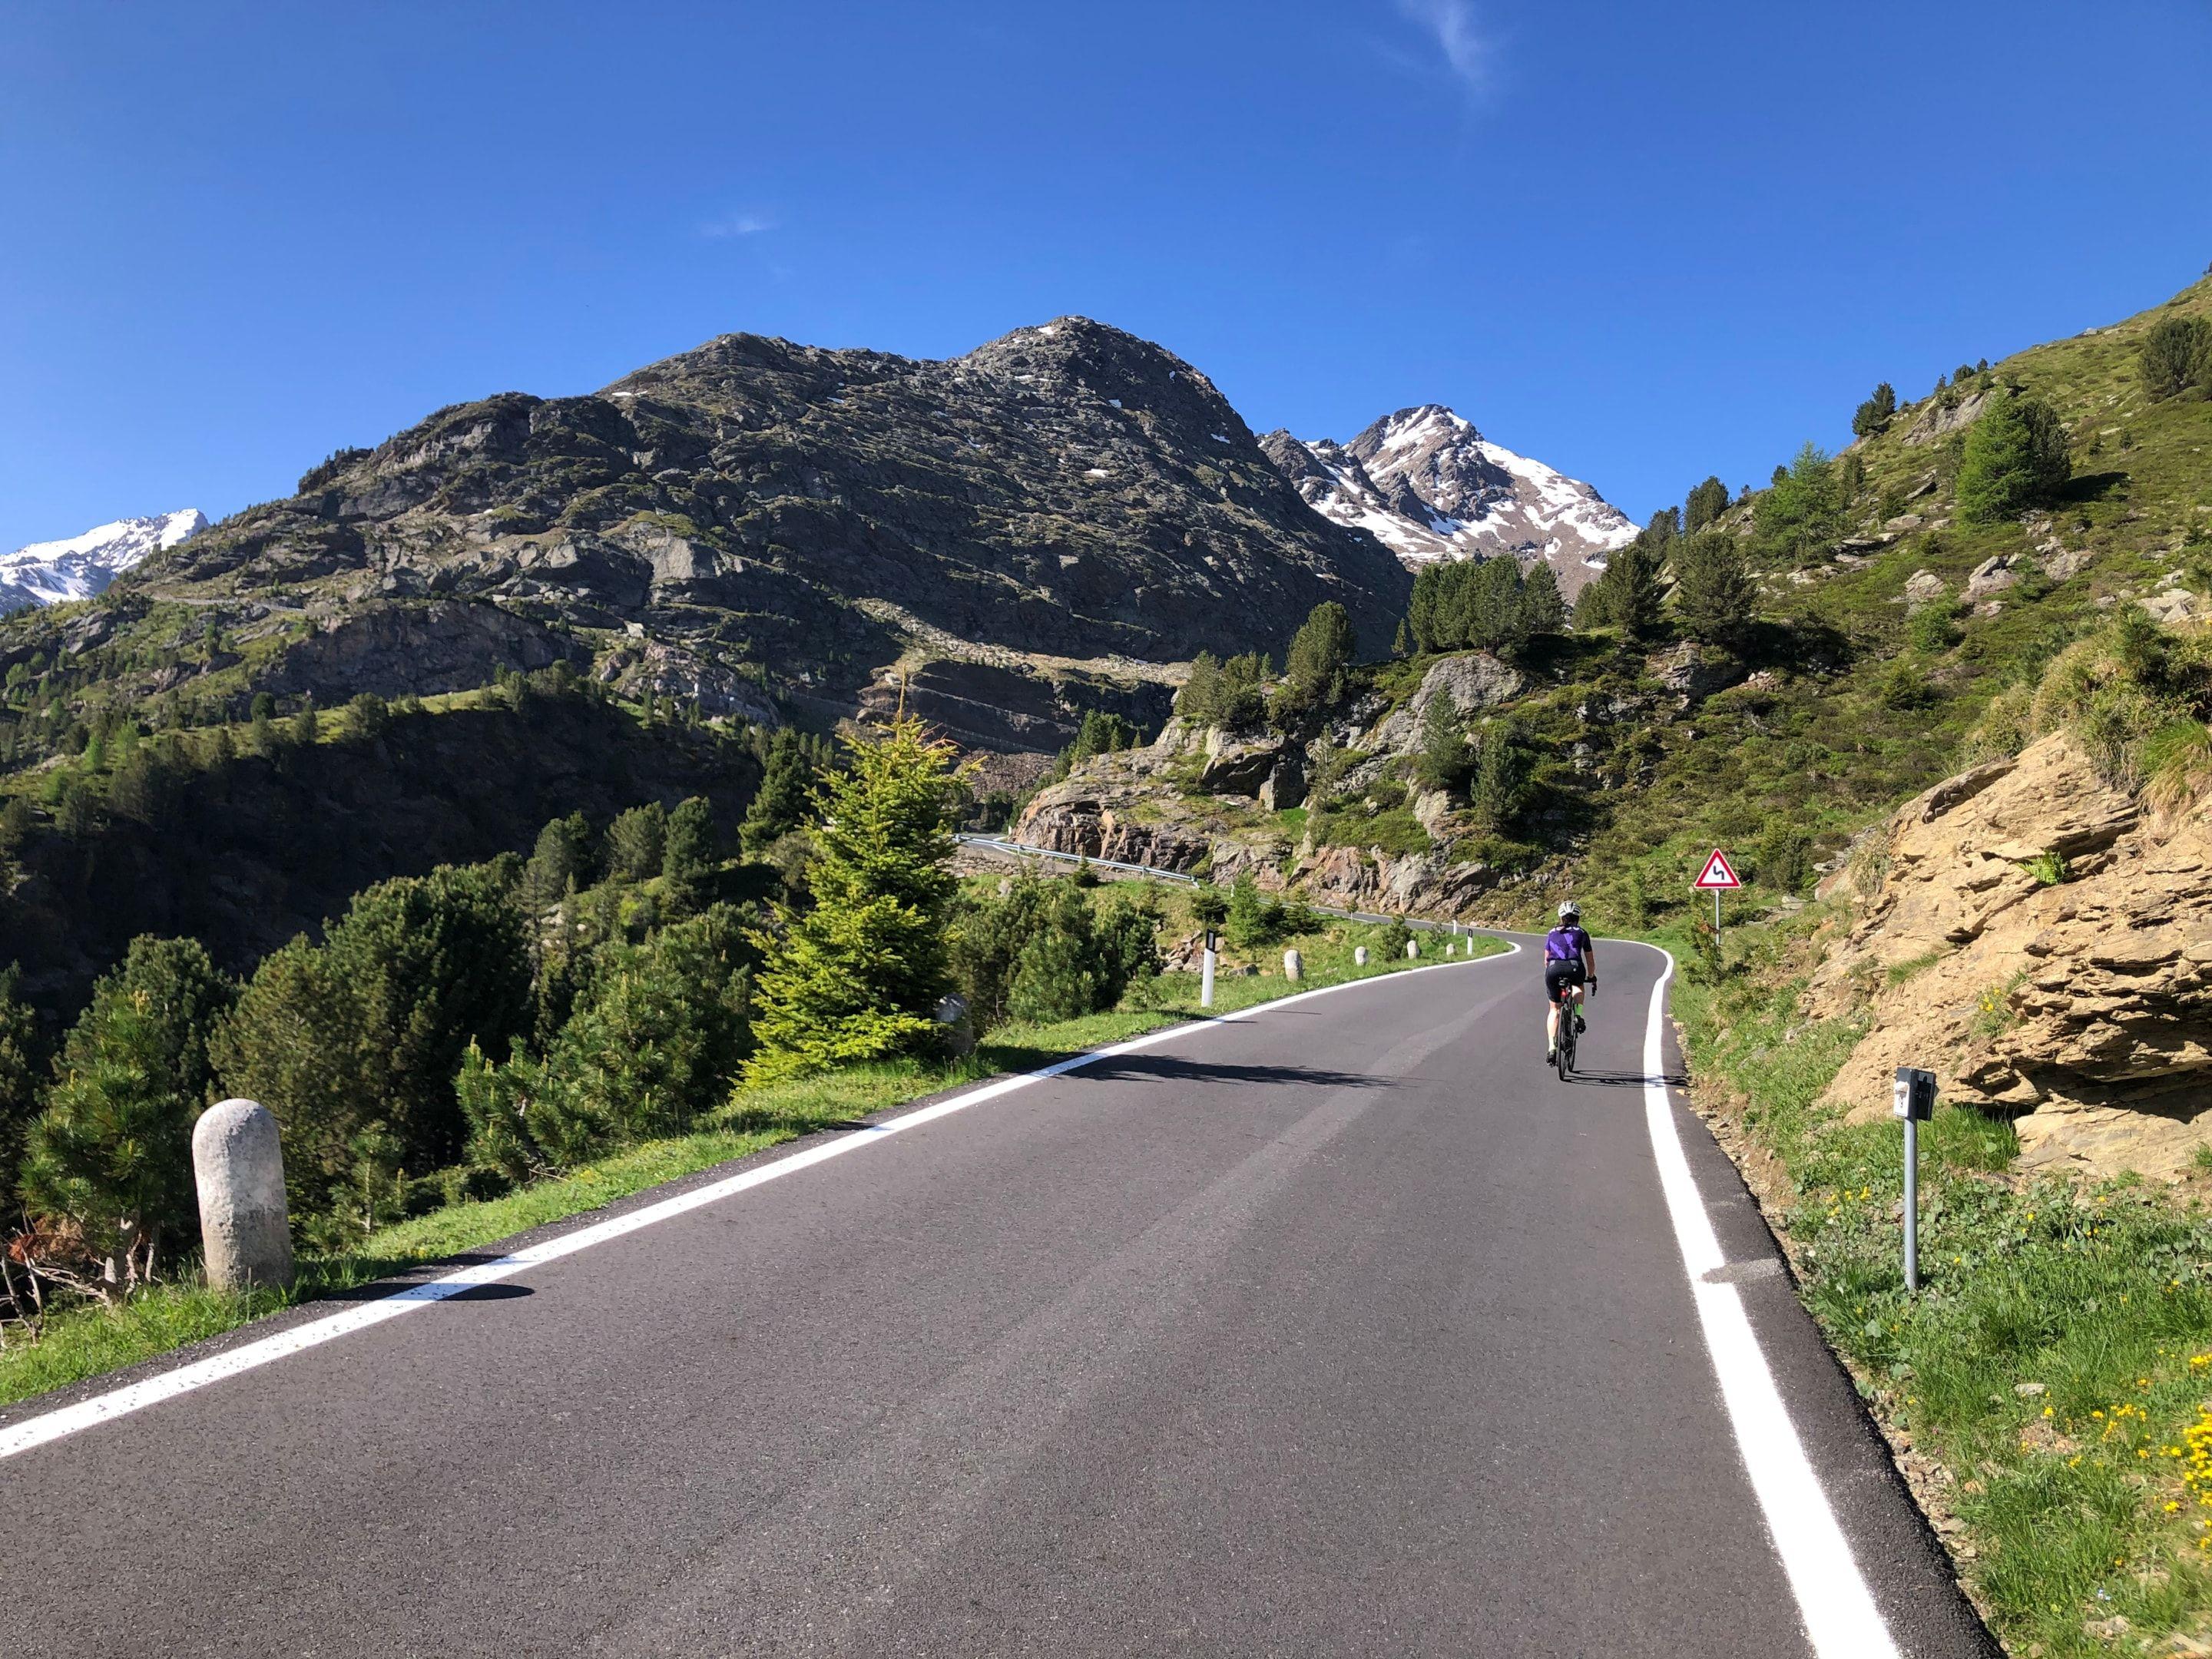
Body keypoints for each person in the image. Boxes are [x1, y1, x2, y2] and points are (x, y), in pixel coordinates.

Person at [1543, 900, 1594, 1064]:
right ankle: (1578, 1015)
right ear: (1577, 917)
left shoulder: (1552, 932)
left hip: (1553, 969)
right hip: (1574, 967)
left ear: (1561, 917)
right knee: (1578, 986)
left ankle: (1552, 1047)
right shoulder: (1582, 932)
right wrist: (1592, 976)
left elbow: (1546, 960)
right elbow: (1590, 960)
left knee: (1554, 1009)